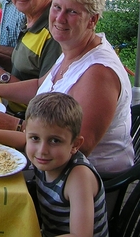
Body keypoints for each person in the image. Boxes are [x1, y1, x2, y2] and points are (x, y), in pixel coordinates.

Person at [0, 0, 134, 174]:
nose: (60, 18)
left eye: (72, 12)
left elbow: (78, 147)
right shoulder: (73, 47)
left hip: (82, 181)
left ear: (92, 20)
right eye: (57, 7)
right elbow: (39, 87)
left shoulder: (99, 73)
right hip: (48, 160)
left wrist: (18, 126)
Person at [26, 92, 108, 237]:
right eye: (35, 138)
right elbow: (20, 140)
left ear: (75, 145)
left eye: (55, 141)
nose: (42, 150)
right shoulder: (45, 159)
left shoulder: (78, 177)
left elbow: (80, 235)